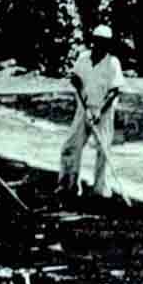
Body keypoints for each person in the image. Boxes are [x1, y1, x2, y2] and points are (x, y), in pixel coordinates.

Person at [58, 24, 126, 198]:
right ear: (93, 42)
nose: (100, 45)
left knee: (103, 150)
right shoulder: (83, 59)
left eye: (104, 42)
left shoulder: (113, 62)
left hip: (104, 111)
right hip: (83, 108)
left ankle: (100, 188)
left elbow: (114, 90)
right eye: (97, 41)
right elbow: (76, 78)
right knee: (70, 146)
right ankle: (68, 184)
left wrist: (99, 111)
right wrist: (75, 81)